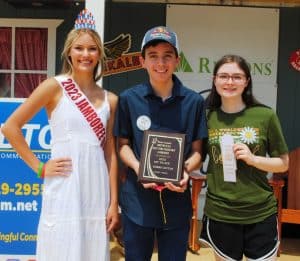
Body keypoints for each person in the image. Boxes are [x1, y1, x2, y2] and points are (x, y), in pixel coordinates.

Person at [1, 9, 119, 261]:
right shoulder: (54, 86)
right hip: (64, 185)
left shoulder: (111, 100)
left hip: (96, 189)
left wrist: (113, 202)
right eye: (79, 48)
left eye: (92, 49)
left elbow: (109, 151)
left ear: (100, 54)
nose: (85, 55)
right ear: (68, 52)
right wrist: (39, 167)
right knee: (60, 248)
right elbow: (10, 127)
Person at [114, 26, 207, 261]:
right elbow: (122, 145)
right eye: (153, 56)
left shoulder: (194, 101)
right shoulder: (128, 99)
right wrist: (138, 168)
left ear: (177, 60)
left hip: (177, 200)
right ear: (142, 61)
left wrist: (185, 170)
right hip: (138, 201)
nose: (160, 63)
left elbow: (198, 151)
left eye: (167, 56)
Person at [199, 54, 289, 261]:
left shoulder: (265, 116)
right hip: (221, 212)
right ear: (214, 80)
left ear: (247, 81)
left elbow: (283, 163)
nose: (229, 82)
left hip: (260, 211)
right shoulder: (206, 116)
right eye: (223, 76)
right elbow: (196, 157)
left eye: (237, 77)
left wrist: (253, 159)